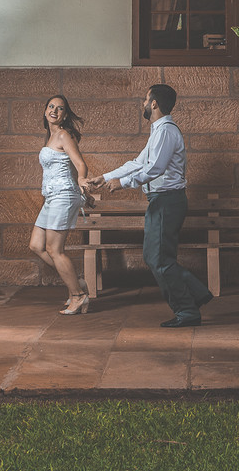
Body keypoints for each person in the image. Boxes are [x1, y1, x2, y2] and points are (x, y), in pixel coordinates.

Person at [89, 84, 212, 327]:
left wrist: (122, 183)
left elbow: (155, 168)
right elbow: (138, 162)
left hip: (168, 200)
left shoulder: (165, 131)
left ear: (154, 103)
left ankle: (187, 310)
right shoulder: (159, 131)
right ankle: (196, 293)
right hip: (162, 201)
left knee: (159, 259)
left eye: (146, 99)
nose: (143, 104)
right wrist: (105, 177)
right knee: (153, 256)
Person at [29, 95, 91, 316]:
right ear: (45, 110)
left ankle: (77, 295)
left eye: (60, 108)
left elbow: (80, 164)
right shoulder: (53, 136)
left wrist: (82, 182)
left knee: (55, 250)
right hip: (52, 197)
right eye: (51, 106)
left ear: (65, 115)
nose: (54, 111)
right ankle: (77, 283)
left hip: (63, 195)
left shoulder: (64, 134)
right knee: (37, 245)